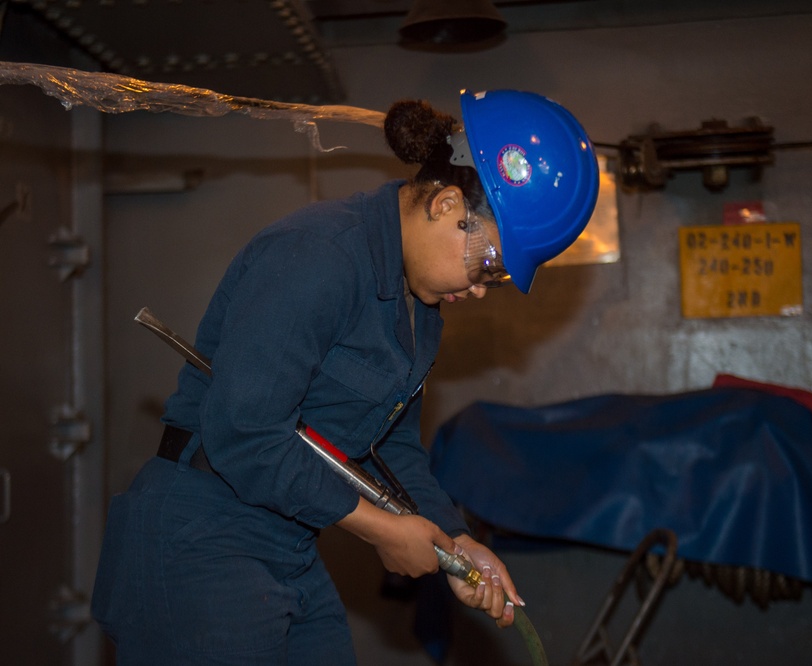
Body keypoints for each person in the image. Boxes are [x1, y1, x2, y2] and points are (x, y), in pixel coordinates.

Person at [91, 88, 599, 665]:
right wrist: (379, 530)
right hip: (201, 533)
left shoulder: (420, 312)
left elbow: (393, 447)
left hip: (286, 537)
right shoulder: (320, 256)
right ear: (446, 205)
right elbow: (244, 433)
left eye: (497, 278)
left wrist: (454, 539)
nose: (480, 288)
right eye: (488, 264)